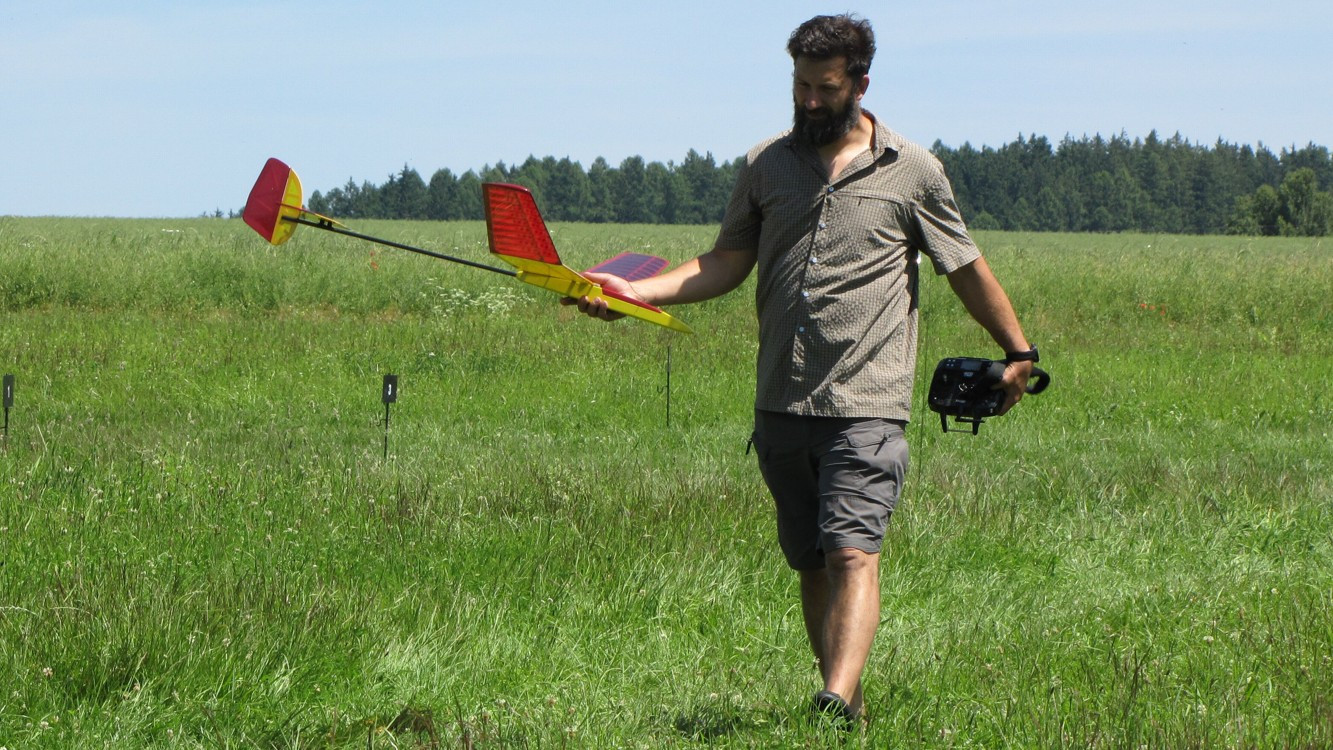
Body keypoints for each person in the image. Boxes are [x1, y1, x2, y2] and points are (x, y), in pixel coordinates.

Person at [566, 13, 1037, 725]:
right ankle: (848, 710)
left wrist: (1019, 352)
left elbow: (964, 267)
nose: (810, 101)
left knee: (852, 553)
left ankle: (831, 701)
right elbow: (725, 260)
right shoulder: (766, 164)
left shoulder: (913, 171)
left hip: (867, 404)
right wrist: (637, 292)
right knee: (812, 562)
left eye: (825, 88)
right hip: (781, 405)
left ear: (860, 84)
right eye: (800, 86)